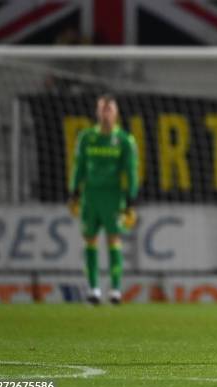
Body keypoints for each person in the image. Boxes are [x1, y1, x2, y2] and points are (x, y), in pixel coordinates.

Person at [68, 94, 139, 305]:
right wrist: (74, 191)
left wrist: (131, 198)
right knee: (90, 240)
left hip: (113, 197)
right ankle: (93, 290)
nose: (106, 113)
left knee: (114, 240)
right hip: (90, 197)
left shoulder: (125, 140)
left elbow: (131, 171)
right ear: (97, 112)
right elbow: (78, 166)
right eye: (102, 109)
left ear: (116, 113)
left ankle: (115, 290)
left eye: (109, 109)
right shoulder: (86, 137)